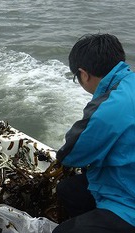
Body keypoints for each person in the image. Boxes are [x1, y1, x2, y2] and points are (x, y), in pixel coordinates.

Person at [53, 33, 135, 233]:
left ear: (84, 74)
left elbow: (71, 155)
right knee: (68, 189)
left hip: (128, 202)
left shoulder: (106, 107)